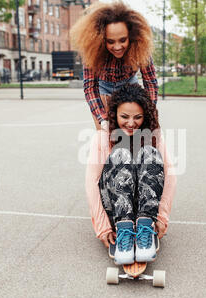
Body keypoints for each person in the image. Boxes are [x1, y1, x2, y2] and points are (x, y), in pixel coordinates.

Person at [85, 83, 176, 265]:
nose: (131, 123)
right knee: (121, 153)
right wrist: (103, 227)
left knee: (149, 153)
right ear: (114, 115)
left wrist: (161, 218)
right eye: (124, 117)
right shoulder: (103, 136)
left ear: (146, 116)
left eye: (138, 117)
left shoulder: (154, 135)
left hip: (146, 208)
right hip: (116, 209)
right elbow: (91, 182)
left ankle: (144, 227)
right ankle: (124, 231)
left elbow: (170, 176)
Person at [70, 1, 159, 131]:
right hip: (103, 89)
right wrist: (102, 119)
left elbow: (150, 82)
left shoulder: (140, 48)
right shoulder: (92, 51)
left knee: (142, 134)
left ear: (131, 36)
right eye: (111, 42)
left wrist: (148, 111)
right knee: (105, 136)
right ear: (101, 39)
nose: (117, 47)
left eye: (123, 40)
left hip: (130, 86)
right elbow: (90, 88)